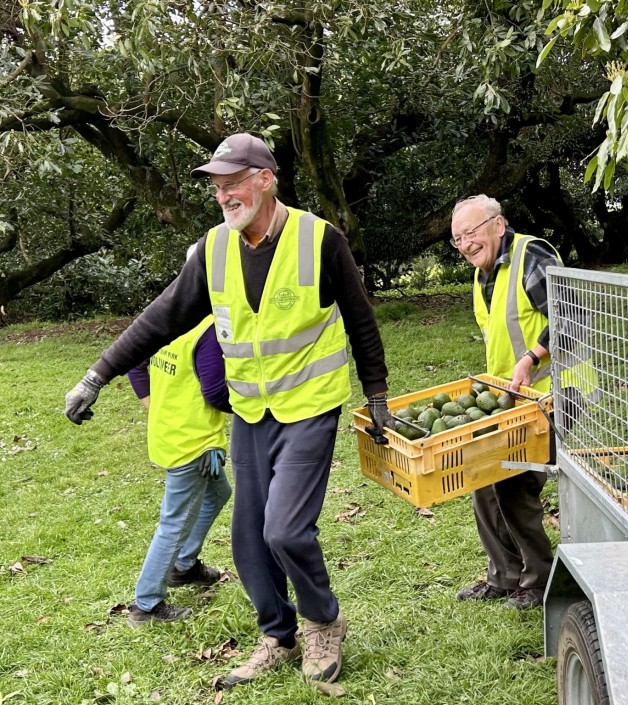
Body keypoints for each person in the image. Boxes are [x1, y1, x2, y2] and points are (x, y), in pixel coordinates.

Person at [64, 133, 395, 689]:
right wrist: (97, 374)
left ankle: (323, 620)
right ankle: (278, 635)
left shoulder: (320, 240)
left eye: (234, 182)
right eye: (217, 187)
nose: (224, 195)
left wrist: (378, 395)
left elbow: (361, 320)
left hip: (310, 406)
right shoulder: (215, 249)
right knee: (247, 537)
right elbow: (161, 317)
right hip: (249, 411)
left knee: (285, 531)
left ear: (266, 179)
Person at [449, 194, 562, 610]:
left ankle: (537, 580)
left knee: (514, 484)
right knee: (482, 478)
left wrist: (532, 358)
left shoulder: (531, 256)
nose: (464, 244)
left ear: (498, 225)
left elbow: (572, 316)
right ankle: (504, 575)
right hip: (512, 400)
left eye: (471, 233)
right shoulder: (484, 274)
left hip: (557, 394)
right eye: (457, 239)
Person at [125, 306, 232, 627]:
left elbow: (134, 362)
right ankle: (146, 604)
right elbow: (215, 391)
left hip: (172, 435)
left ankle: (183, 566)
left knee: (218, 493)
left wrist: (155, 408)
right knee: (174, 523)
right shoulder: (208, 329)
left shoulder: (168, 319)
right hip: (193, 444)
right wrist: (254, 401)